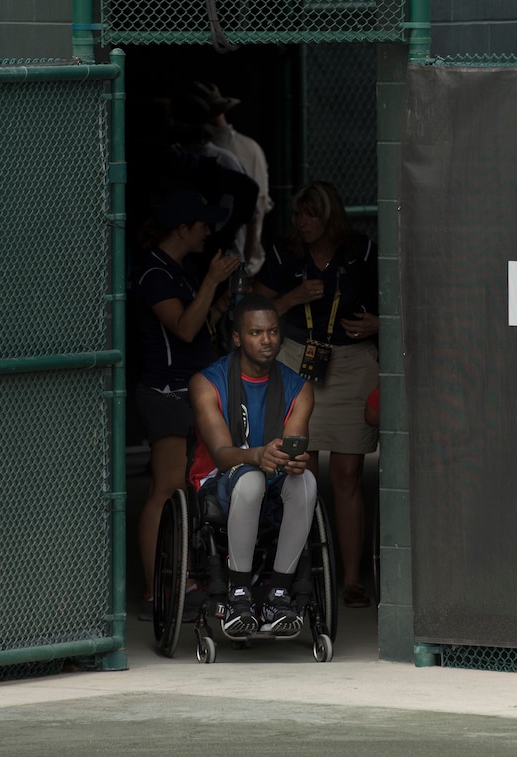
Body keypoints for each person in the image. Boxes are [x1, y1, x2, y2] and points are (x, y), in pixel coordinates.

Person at [253, 180, 379, 609]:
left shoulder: (359, 250)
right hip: (296, 359)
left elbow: (398, 298)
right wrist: (291, 297)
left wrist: (379, 324)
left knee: (346, 475)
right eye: (299, 215)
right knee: (296, 471)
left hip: (351, 362)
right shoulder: (283, 253)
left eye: (313, 215)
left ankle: (350, 580)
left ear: (331, 218)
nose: (304, 223)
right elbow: (255, 310)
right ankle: (292, 573)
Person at [132, 189, 243, 621]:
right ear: (182, 228)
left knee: (199, 484)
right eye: (202, 226)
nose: (209, 233)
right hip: (166, 393)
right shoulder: (154, 273)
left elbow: (200, 327)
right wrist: (212, 281)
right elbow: (182, 328)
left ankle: (189, 579)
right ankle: (153, 590)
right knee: (166, 488)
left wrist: (219, 299)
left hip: (195, 389)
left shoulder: (181, 269)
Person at [187, 295, 317, 637]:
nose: (267, 340)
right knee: (251, 480)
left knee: (306, 481)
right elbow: (219, 453)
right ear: (237, 337)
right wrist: (257, 455)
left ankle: (279, 594)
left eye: (273, 332)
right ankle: (239, 594)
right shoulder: (206, 383)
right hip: (221, 481)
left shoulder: (299, 388)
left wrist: (294, 460)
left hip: (272, 478)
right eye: (256, 332)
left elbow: (293, 449)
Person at [192, 80, 273, 276]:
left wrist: (245, 263)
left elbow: (257, 210)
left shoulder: (237, 152)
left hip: (235, 259)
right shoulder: (244, 148)